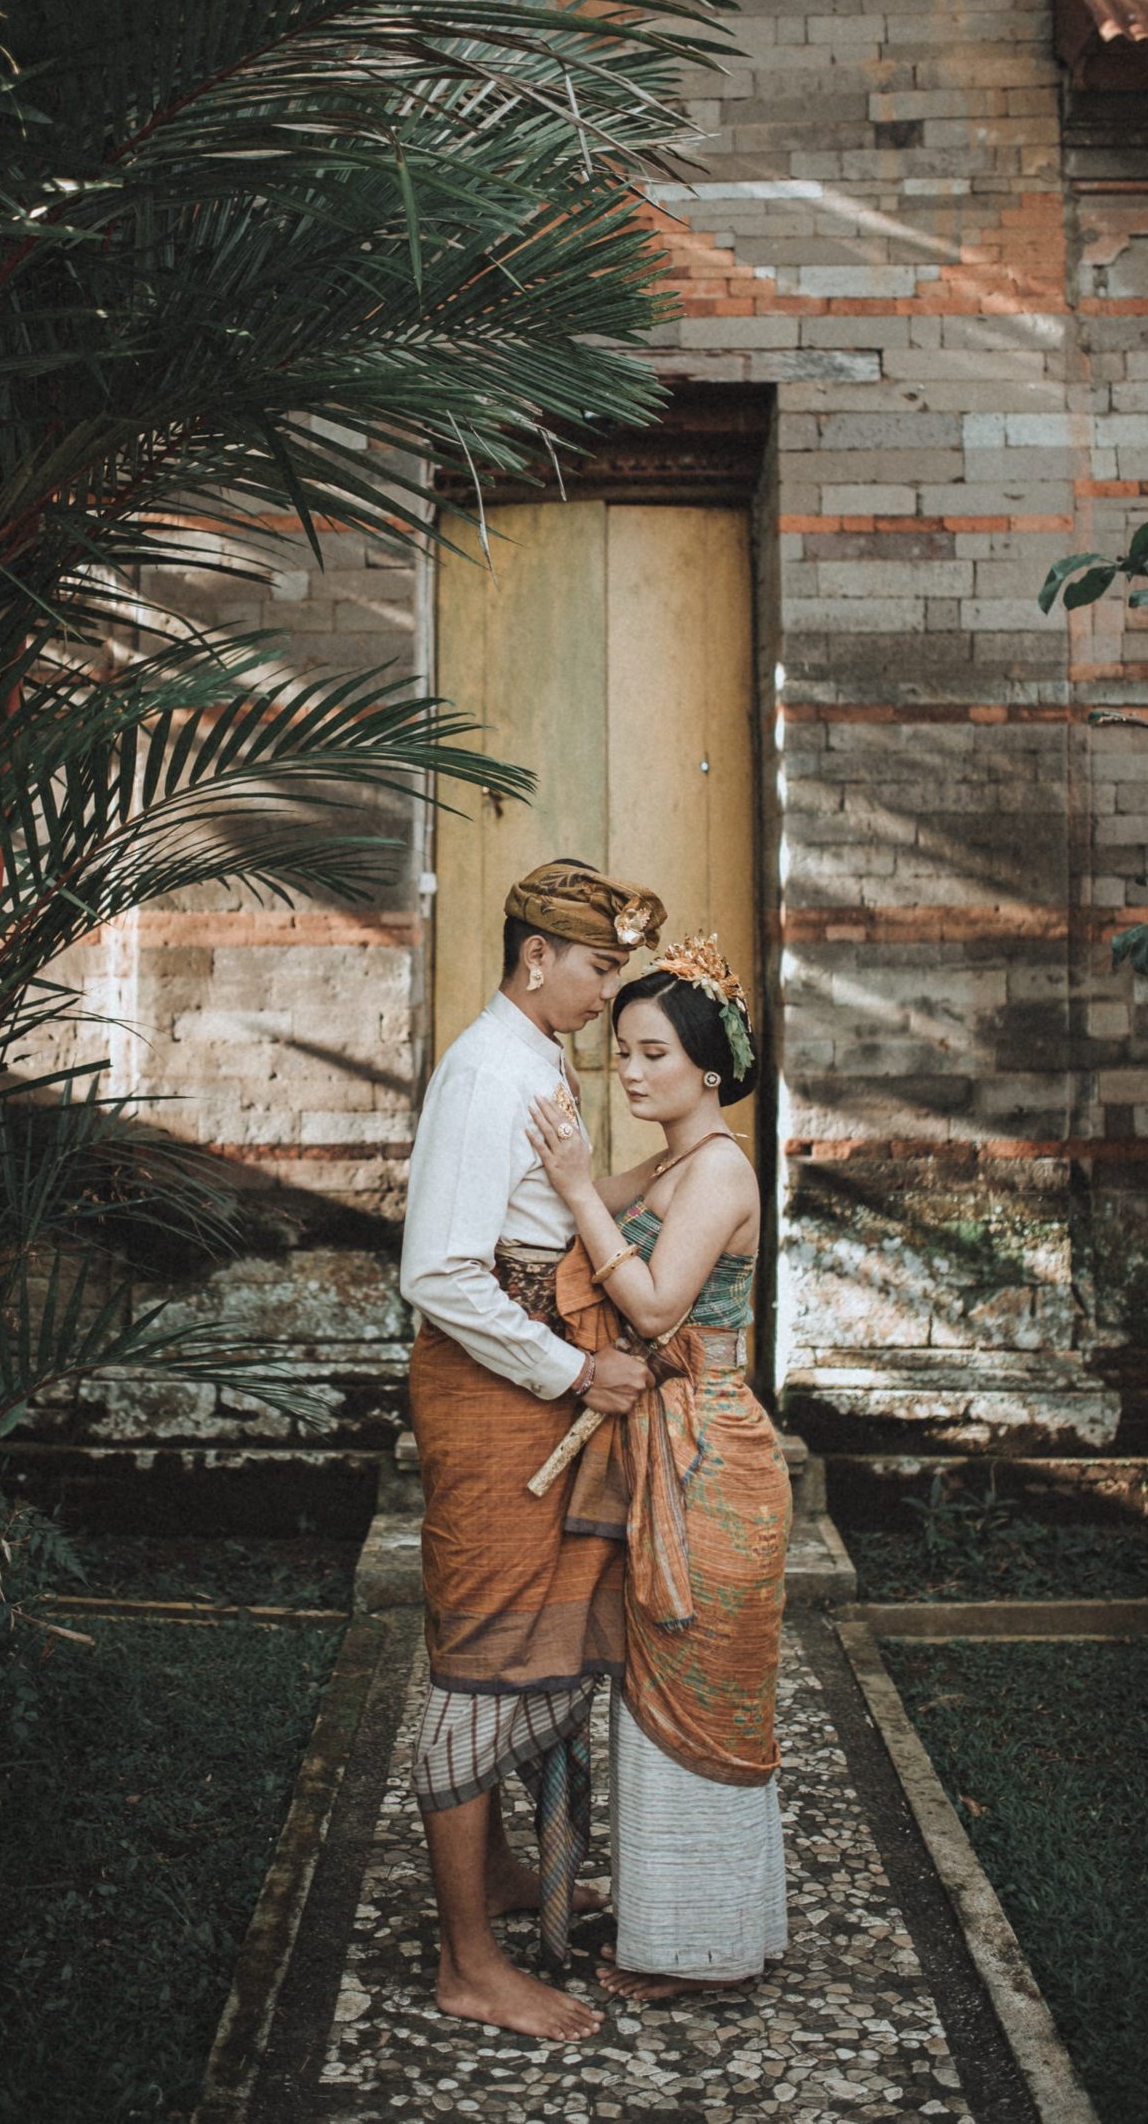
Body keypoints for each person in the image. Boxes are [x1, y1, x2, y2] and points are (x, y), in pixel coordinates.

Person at [401, 858, 666, 2042]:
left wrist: (672, 1161)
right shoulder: (484, 1074)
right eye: (599, 970)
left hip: (535, 1392)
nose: (609, 994)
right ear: (536, 957)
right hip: (498, 1401)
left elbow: (544, 1218)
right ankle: (468, 1965)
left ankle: (508, 1874)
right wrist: (574, 1371)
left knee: (536, 1646)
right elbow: (441, 1272)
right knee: (482, 1657)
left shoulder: (535, 1059)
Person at [527, 932, 791, 2002]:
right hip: (664, 1442)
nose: (630, 1073)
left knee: (702, 1690)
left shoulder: (720, 1170)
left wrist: (578, 1186)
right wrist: (568, 1179)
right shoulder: (678, 1162)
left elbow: (651, 1303)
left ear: (709, 1068)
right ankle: (676, 1930)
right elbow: (579, 1209)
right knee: (650, 1687)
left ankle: (706, 1951)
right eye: (623, 1052)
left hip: (712, 1454)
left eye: (653, 1055)